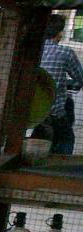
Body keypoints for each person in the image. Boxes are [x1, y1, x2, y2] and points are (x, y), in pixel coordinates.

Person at [41, 13, 83, 155]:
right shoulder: (65, 52)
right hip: (54, 111)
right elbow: (80, 77)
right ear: (59, 33)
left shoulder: (35, 51)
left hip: (35, 110)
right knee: (67, 138)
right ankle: (62, 160)